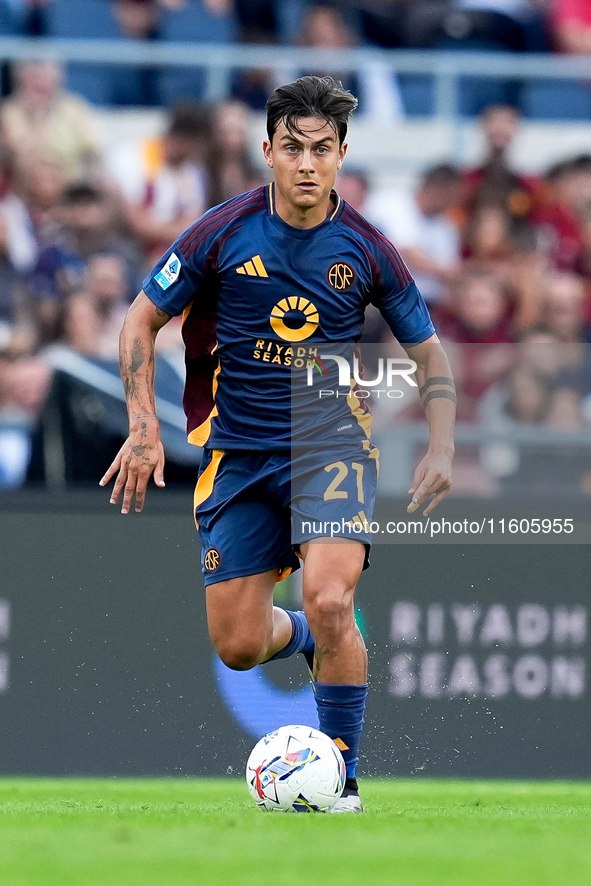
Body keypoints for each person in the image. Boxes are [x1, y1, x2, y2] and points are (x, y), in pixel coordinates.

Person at [100, 76, 455, 812]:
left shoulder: (365, 247)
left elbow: (428, 354)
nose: (304, 163)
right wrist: (143, 427)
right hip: (237, 454)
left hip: (331, 446)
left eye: (320, 150)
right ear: (266, 151)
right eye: (291, 147)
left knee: (332, 601)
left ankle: (344, 781)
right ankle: (301, 636)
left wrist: (441, 447)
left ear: (341, 156)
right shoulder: (220, 232)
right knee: (236, 646)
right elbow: (138, 323)